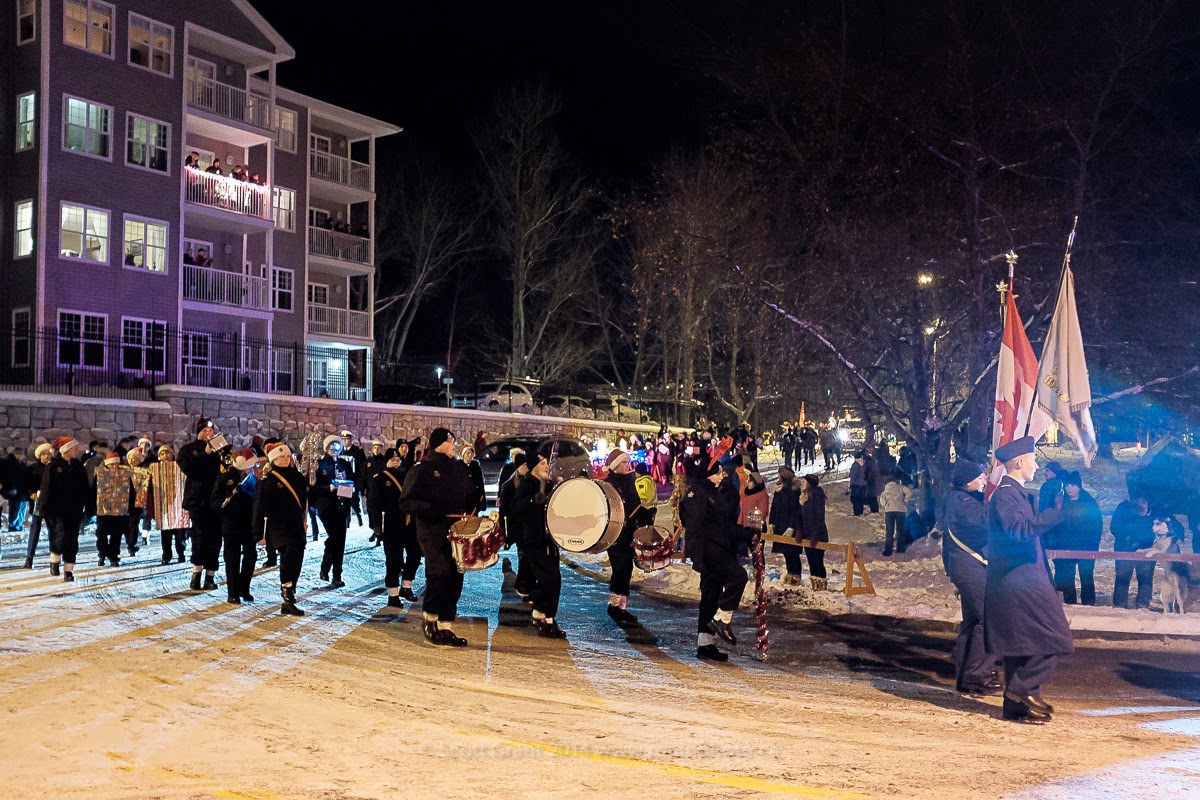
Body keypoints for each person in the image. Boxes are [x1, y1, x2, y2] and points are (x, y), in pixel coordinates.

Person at [985, 436, 1069, 724]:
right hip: (1020, 581)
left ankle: (1016, 707)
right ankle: (1021, 689)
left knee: (1020, 644)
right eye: (1033, 460)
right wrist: (1052, 515)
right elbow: (1018, 531)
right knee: (1056, 637)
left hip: (1020, 579)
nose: (1036, 465)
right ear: (1019, 462)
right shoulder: (1006, 494)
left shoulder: (1014, 494)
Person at [400, 427, 474, 646]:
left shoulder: (458, 469)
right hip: (432, 530)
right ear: (440, 443)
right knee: (440, 572)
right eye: (451, 441)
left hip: (456, 530)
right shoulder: (422, 469)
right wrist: (432, 509)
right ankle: (430, 619)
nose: (454, 445)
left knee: (456, 575)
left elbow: (469, 494)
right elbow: (406, 501)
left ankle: (445, 625)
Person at [939, 460, 1001, 695]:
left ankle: (966, 675)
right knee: (992, 620)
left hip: (967, 568)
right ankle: (976, 675)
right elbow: (983, 521)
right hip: (970, 568)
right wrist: (1002, 500)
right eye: (980, 476)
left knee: (973, 622)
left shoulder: (960, 499)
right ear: (967, 482)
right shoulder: (961, 501)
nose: (984, 479)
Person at [680, 449, 748, 662]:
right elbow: (694, 527)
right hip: (710, 552)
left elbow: (726, 527)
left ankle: (705, 644)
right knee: (738, 576)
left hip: (719, 548)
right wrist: (697, 557)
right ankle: (722, 618)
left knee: (710, 596)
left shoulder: (714, 494)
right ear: (708, 475)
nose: (722, 475)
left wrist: (748, 534)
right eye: (718, 472)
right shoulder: (697, 495)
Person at [512, 452, 566, 637]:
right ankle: (540, 614)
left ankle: (548, 617)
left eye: (546, 463)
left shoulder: (547, 484)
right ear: (534, 467)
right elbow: (516, 507)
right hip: (535, 539)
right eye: (542, 463)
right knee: (547, 578)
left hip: (550, 539)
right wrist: (532, 500)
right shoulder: (527, 484)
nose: (546, 466)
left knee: (555, 579)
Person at [252, 443, 309, 616]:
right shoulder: (268, 481)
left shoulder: (297, 477)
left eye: (287, 457)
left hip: (296, 525)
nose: (286, 459)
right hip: (279, 527)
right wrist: (258, 533)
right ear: (274, 459)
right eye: (281, 457)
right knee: (289, 556)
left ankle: (290, 589)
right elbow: (259, 508)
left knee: (297, 557)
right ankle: (287, 595)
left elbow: (305, 498)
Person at [178, 419, 224, 591]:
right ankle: (196, 574)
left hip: (216, 499)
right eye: (204, 430)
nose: (208, 433)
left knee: (215, 537)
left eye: (210, 431)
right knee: (199, 535)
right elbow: (190, 469)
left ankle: (210, 576)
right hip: (197, 500)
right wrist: (205, 453)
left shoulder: (219, 450)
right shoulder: (188, 450)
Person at [212, 449, 260, 605]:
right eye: (251, 466)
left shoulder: (253, 480)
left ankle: (244, 588)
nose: (253, 469)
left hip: (249, 523)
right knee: (232, 558)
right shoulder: (224, 478)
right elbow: (215, 502)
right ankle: (232, 592)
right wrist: (228, 499)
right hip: (231, 523)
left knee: (250, 556)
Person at [40, 437, 89, 581]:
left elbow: (85, 488)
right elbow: (46, 487)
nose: (77, 450)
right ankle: (55, 559)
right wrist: (43, 508)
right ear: (66, 450)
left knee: (72, 539)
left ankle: (68, 571)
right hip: (57, 509)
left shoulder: (78, 466)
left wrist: (89, 506)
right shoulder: (53, 466)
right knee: (60, 536)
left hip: (75, 509)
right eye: (74, 448)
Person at [603, 449, 642, 627]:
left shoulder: (629, 481)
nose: (628, 465)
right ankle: (614, 604)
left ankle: (622, 606)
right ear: (616, 465)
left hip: (628, 532)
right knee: (620, 567)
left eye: (628, 462)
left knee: (627, 568)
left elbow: (635, 504)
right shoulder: (609, 484)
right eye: (624, 462)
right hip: (615, 533)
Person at [1050, 472, 1102, 605]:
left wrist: (1093, 546)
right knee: (1066, 576)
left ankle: (1088, 603)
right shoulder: (1060, 502)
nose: (1070, 488)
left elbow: (1096, 526)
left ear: (1079, 486)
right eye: (1067, 485)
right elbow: (1055, 525)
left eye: (1073, 485)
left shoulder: (1089, 503)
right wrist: (1055, 543)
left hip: (1085, 546)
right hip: (1065, 546)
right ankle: (1069, 602)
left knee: (1086, 576)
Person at [372, 450, 413, 608]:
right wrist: (376, 525)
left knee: (414, 554)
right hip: (390, 523)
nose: (396, 461)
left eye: (398, 459)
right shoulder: (380, 478)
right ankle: (393, 594)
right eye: (393, 459)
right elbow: (375, 504)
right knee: (393, 559)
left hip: (407, 522)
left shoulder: (405, 476)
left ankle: (406, 585)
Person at [314, 434, 352, 587]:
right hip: (327, 506)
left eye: (337, 447)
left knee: (339, 540)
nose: (335, 450)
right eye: (332, 447)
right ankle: (326, 567)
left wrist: (347, 487)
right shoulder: (320, 465)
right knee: (335, 536)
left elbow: (352, 480)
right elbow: (314, 487)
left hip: (342, 505)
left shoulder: (344, 464)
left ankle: (336, 574)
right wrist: (328, 488)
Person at [1110, 491, 1155, 609]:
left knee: (1145, 577)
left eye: (1143, 503)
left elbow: (1168, 524)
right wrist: (1129, 537)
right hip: (1125, 547)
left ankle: (1143, 604)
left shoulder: (1155, 510)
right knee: (1122, 576)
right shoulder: (1123, 508)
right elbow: (1115, 527)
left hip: (1146, 548)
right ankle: (1120, 604)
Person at [497, 449, 532, 600]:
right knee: (524, 556)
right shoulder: (510, 485)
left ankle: (526, 584)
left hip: (529, 526)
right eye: (524, 465)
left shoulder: (530, 482)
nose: (527, 468)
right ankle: (522, 585)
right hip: (517, 528)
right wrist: (505, 535)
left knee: (528, 557)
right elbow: (504, 512)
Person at [148, 445, 188, 565]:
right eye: (162, 454)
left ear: (172, 455)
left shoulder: (180, 467)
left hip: (178, 506)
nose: (165, 456)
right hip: (163, 506)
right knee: (165, 534)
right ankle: (166, 555)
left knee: (180, 533)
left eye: (167, 453)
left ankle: (181, 553)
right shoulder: (155, 469)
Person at [93, 452, 133, 567]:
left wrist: (129, 506)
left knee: (116, 534)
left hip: (119, 511)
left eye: (116, 464)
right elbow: (94, 491)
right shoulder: (100, 475)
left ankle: (114, 556)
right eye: (112, 464)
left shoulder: (125, 475)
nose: (115, 466)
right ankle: (103, 553)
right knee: (101, 533)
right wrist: (93, 506)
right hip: (103, 511)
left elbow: (130, 491)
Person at [768, 467, 805, 585]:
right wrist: (771, 523)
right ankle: (790, 572)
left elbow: (796, 511)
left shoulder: (794, 492)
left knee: (792, 551)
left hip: (790, 525)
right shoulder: (779, 491)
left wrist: (792, 527)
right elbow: (774, 508)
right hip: (780, 524)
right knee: (785, 551)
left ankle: (796, 574)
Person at [21, 443, 53, 569]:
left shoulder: (54, 468)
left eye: (48, 453)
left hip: (51, 503)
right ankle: (29, 557)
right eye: (44, 454)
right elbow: (26, 484)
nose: (47, 456)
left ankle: (54, 557)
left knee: (53, 530)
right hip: (37, 503)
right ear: (39, 456)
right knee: (35, 529)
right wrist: (31, 494)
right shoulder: (32, 469)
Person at [799, 474, 829, 590]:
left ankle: (821, 584)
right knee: (811, 561)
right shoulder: (803, 498)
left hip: (818, 535)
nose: (802, 483)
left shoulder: (817, 497)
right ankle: (815, 584)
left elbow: (819, 517)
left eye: (804, 482)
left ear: (809, 484)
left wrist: (815, 534)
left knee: (818, 560)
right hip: (807, 534)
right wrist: (800, 531)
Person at [879, 471, 913, 556]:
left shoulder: (886, 488)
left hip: (889, 511)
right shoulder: (900, 487)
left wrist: (885, 505)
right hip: (901, 510)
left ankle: (888, 550)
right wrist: (905, 501)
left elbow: (882, 499)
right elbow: (909, 491)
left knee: (889, 531)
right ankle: (900, 549)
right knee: (900, 530)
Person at [363, 439, 389, 544]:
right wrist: (362, 489)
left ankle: (379, 534)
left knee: (378, 514)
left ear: (381, 449)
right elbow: (363, 476)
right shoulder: (368, 462)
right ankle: (375, 530)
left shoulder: (384, 461)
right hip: (370, 492)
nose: (376, 449)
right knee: (371, 513)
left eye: (378, 447)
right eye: (374, 447)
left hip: (381, 492)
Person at [339, 430, 367, 528]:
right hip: (343, 481)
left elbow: (362, 467)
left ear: (351, 440)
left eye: (346, 439)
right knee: (345, 502)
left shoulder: (358, 451)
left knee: (354, 501)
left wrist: (360, 481)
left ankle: (359, 517)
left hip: (354, 480)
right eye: (343, 439)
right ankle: (347, 522)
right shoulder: (340, 451)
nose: (344, 441)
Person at [460, 444, 486, 514]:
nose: (470, 456)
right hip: (463, 500)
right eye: (468, 453)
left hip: (474, 500)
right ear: (463, 454)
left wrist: (481, 501)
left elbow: (480, 485)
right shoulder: (458, 467)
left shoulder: (476, 468)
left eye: (471, 454)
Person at [849, 452, 871, 516]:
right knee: (860, 499)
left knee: (854, 499)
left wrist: (851, 484)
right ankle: (860, 511)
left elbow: (853, 475)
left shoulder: (855, 465)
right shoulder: (864, 464)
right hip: (864, 484)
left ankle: (856, 513)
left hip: (856, 484)